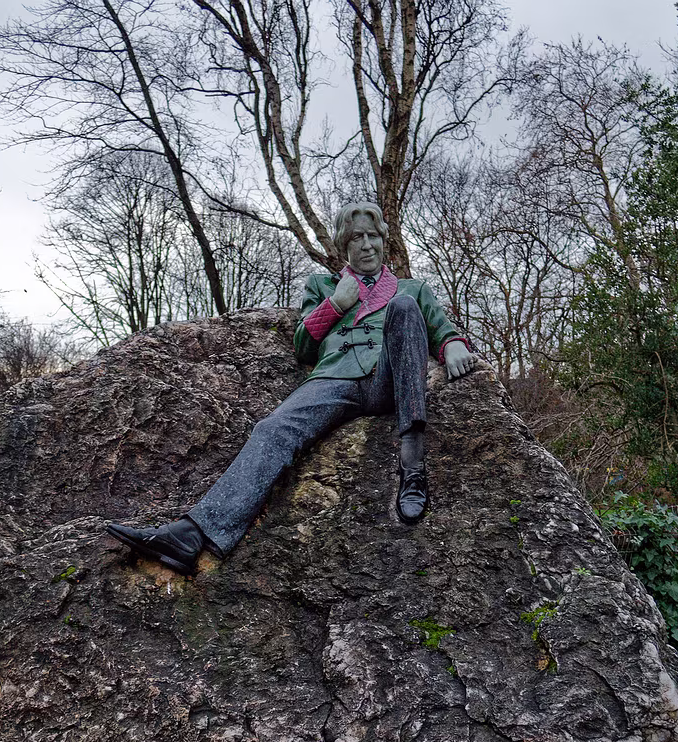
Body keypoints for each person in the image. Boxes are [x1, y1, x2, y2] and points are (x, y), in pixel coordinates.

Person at [107, 201, 479, 575]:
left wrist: (453, 344)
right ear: (342, 246)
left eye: (373, 236)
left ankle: (412, 466)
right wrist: (337, 303)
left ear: (384, 240)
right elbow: (303, 345)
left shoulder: (411, 288)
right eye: (356, 238)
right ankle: (192, 534)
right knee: (272, 428)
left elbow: (440, 327)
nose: (366, 245)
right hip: (335, 380)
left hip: (388, 380)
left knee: (403, 306)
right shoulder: (322, 285)